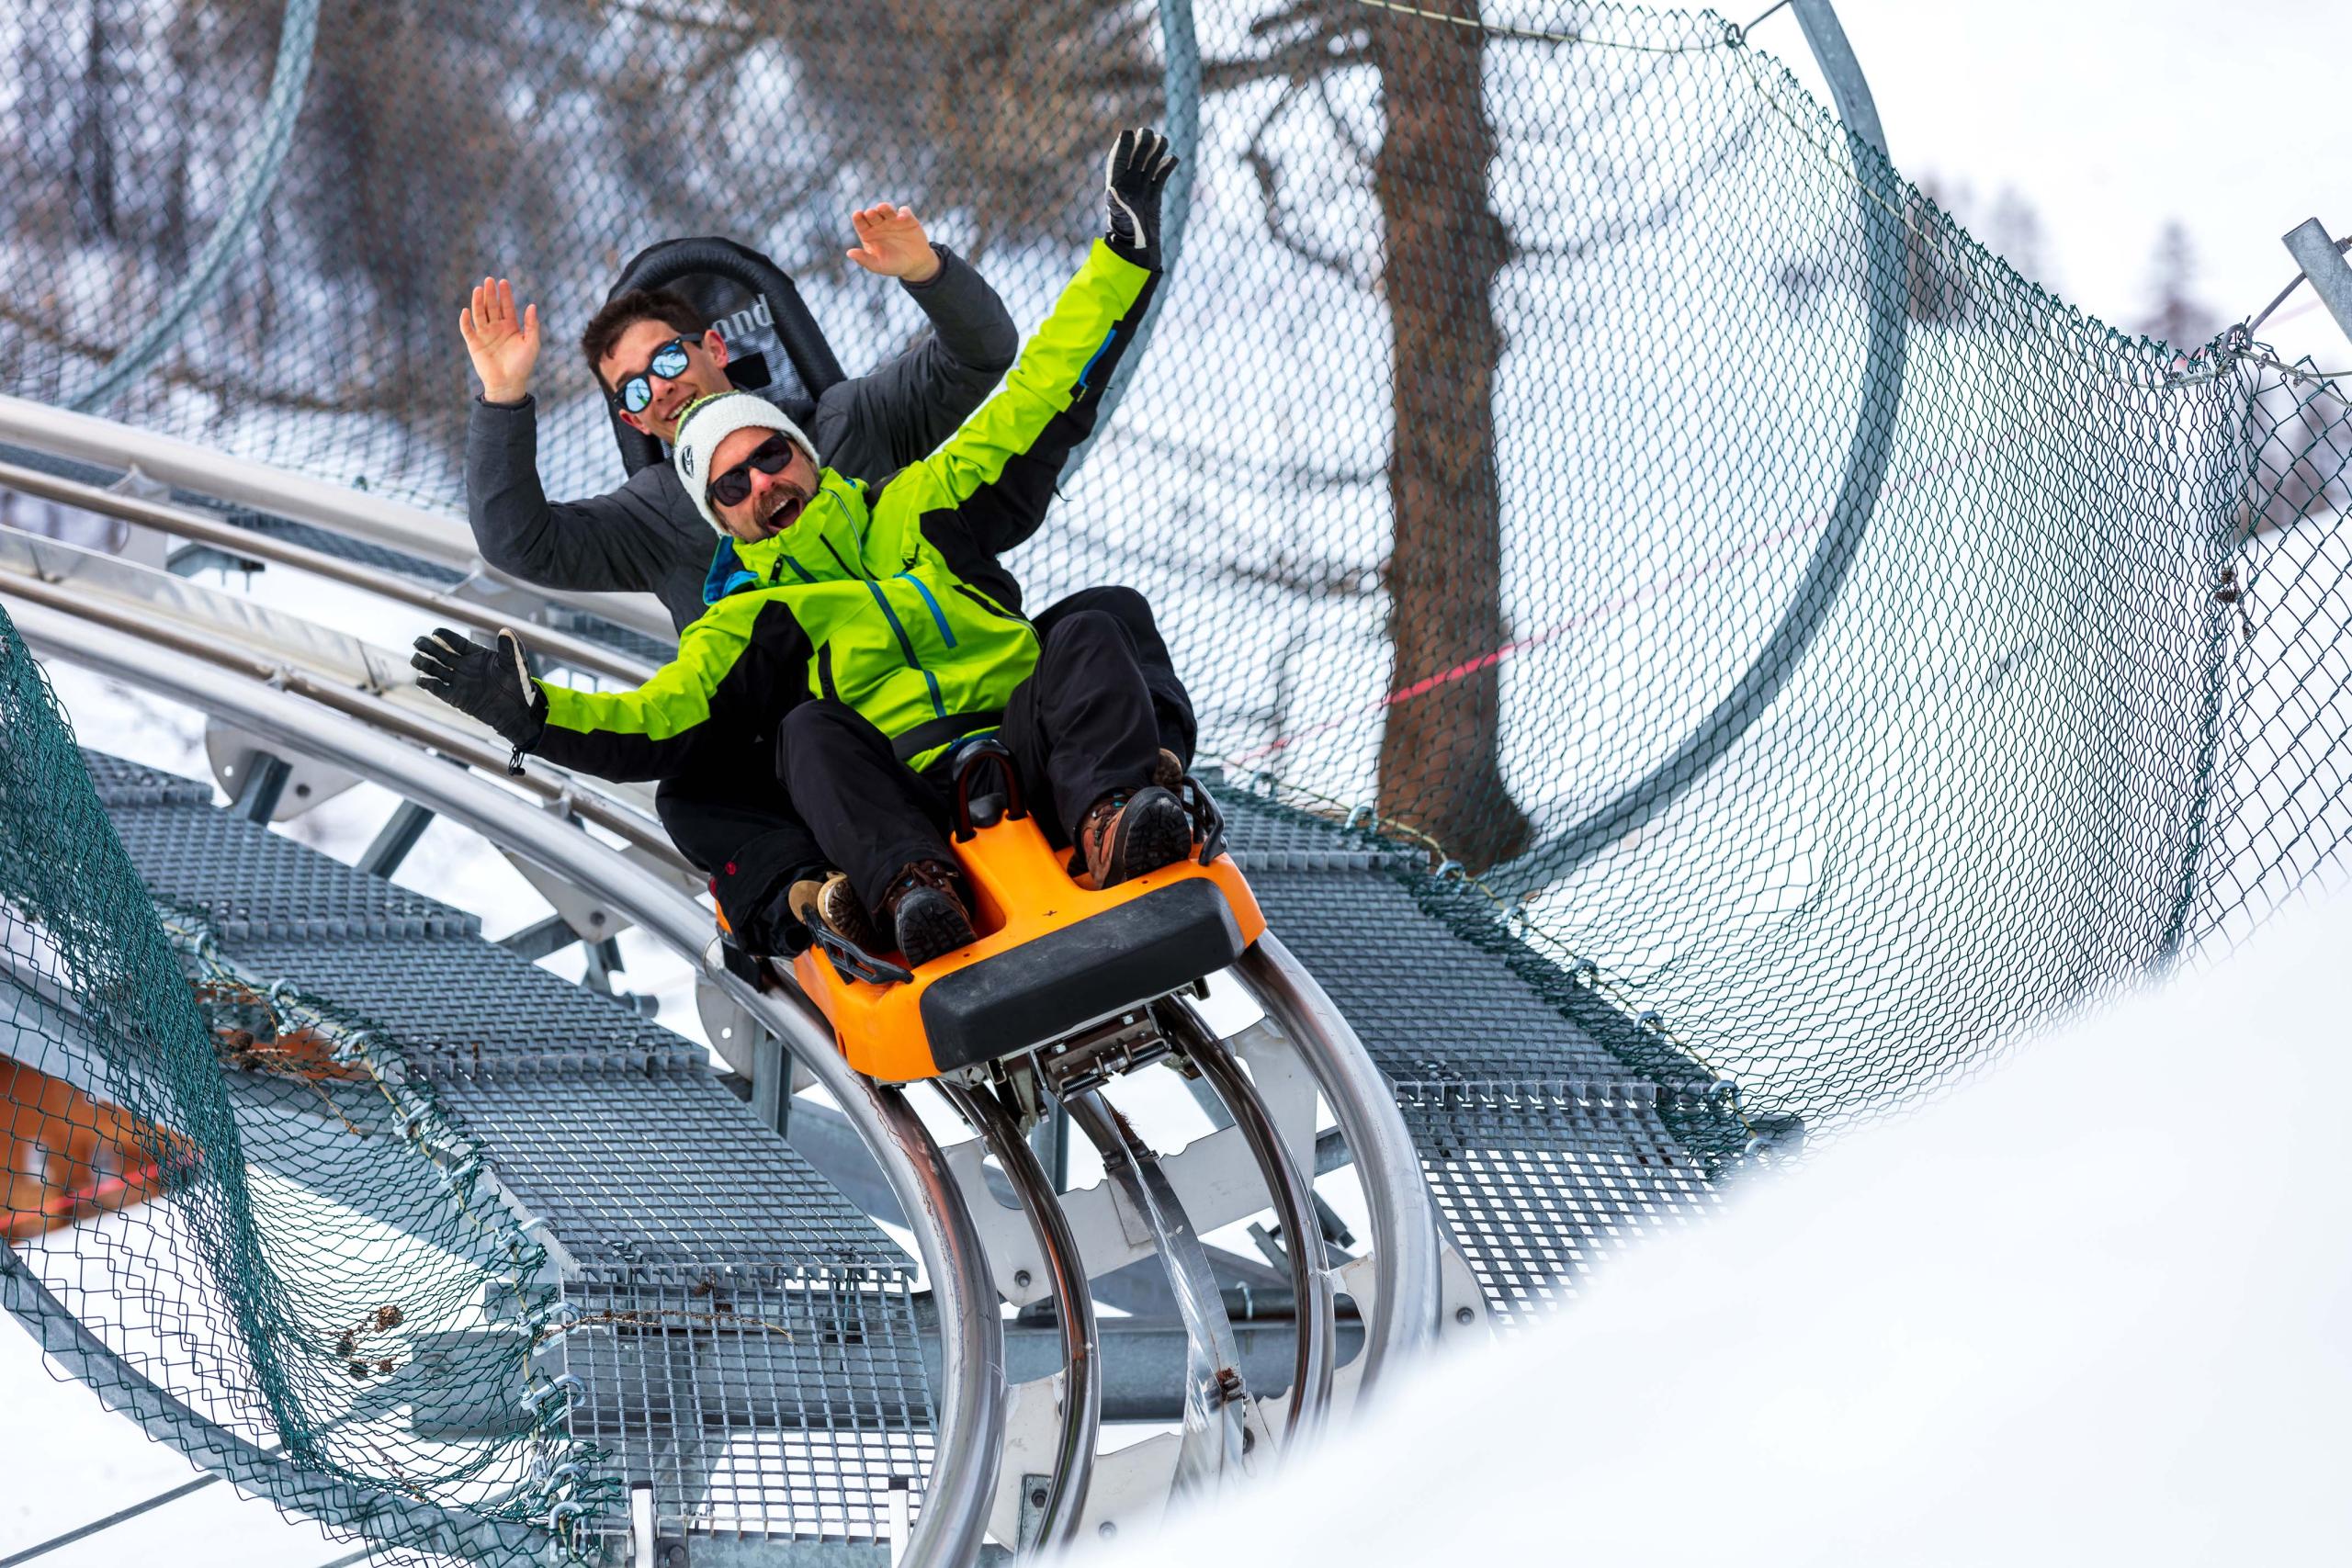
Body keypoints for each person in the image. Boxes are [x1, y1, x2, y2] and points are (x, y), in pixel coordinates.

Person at [414, 128, 1189, 967]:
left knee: (1096, 623)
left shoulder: (896, 474)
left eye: (771, 457)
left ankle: (1128, 802)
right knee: (753, 760)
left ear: (722, 356)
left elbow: (1027, 383)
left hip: (1003, 709)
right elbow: (644, 702)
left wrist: (1113, 257)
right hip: (862, 762)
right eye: (729, 488)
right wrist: (531, 713)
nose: (759, 487)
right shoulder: (740, 603)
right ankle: (887, 897)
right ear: (636, 426)